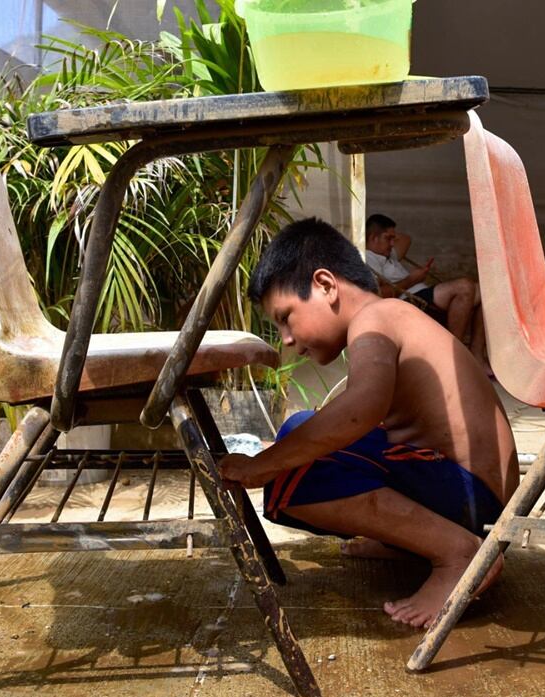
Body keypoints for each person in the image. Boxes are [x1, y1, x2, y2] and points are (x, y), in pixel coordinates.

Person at [218, 217, 519, 628]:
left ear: (325, 285)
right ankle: (407, 541)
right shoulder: (392, 317)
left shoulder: (377, 317)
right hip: (474, 498)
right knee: (311, 445)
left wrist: (263, 464)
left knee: (298, 455)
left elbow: (362, 408)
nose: (286, 338)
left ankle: (457, 554)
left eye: (286, 317)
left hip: (469, 496)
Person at [363, 213, 488, 368]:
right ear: (374, 238)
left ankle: (476, 354)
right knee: (464, 287)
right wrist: (413, 279)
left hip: (424, 296)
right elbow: (378, 295)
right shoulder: (368, 258)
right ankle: (453, 356)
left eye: (393, 239)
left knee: (487, 293)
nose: (392, 243)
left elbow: (406, 239)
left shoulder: (389, 254)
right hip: (411, 301)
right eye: (388, 238)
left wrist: (387, 237)